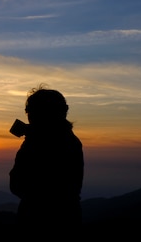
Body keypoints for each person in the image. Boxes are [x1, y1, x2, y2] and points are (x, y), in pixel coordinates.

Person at [9, 85, 84, 227]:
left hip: (41, 221)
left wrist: (32, 138)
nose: (29, 117)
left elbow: (18, 184)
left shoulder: (41, 143)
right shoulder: (69, 140)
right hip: (67, 220)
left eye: (31, 111)